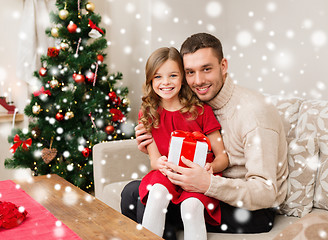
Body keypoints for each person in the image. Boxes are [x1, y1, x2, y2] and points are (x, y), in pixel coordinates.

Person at [121, 33, 288, 239]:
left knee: (137, 197)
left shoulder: (254, 113)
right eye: (190, 72)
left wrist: (207, 183)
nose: (198, 80)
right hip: (206, 188)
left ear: (223, 66)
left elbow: (265, 192)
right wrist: (150, 144)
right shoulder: (196, 102)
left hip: (251, 209)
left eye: (206, 69)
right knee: (134, 192)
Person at [137, 47, 229, 240]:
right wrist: (160, 163)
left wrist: (210, 167)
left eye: (172, 75)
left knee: (191, 207)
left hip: (196, 176)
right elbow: (154, 161)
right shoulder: (148, 113)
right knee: (157, 193)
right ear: (150, 80)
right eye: (158, 77)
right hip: (167, 174)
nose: (165, 83)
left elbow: (222, 157)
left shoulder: (201, 111)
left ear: (182, 78)